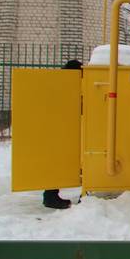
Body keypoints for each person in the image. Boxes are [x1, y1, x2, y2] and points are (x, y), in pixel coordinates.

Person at [42, 59, 83, 209]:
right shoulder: (68, 84)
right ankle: (50, 197)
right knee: (61, 161)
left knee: (59, 162)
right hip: (64, 129)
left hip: (60, 128)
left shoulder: (58, 83)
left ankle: (50, 196)